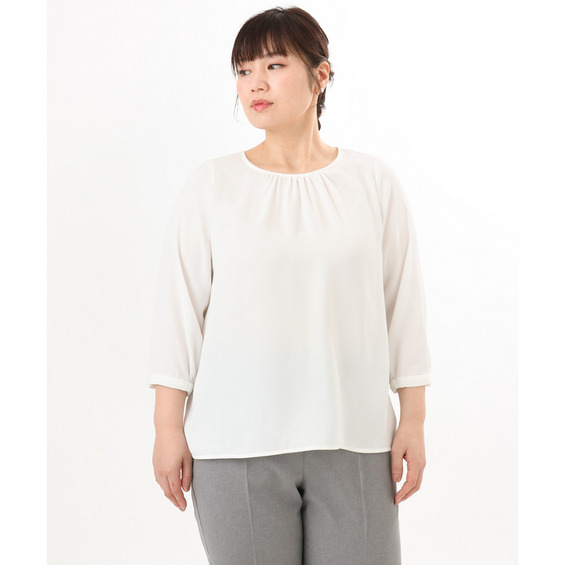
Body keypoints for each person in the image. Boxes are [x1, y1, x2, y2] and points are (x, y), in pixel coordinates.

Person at [148, 6, 431, 565]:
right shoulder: (212, 186)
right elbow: (178, 313)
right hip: (235, 445)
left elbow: (403, 306)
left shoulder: (372, 183)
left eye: (274, 65)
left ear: (320, 75)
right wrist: (166, 427)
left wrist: (414, 419)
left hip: (355, 439)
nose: (255, 83)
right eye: (244, 69)